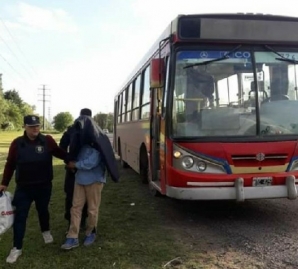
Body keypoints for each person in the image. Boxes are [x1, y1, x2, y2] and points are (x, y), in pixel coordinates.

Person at [0, 115, 67, 263]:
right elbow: (10, 164)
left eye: (37, 125)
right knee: (20, 218)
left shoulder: (47, 140)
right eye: (31, 126)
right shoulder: (17, 144)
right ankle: (17, 247)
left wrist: (72, 160)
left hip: (43, 186)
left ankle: (45, 231)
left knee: (43, 210)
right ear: (25, 127)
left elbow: (59, 153)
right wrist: (4, 182)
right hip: (24, 188)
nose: (35, 128)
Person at [61, 132, 106, 249]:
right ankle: (72, 236)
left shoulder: (98, 144)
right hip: (80, 180)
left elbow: (91, 162)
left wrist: (75, 165)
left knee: (92, 209)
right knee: (75, 208)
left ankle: (91, 232)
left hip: (94, 180)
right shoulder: (78, 145)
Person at [59, 108, 91, 232]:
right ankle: (80, 221)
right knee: (81, 196)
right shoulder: (92, 130)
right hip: (84, 169)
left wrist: (68, 161)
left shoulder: (71, 129)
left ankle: (75, 222)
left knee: (71, 196)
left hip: (74, 168)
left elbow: (61, 148)